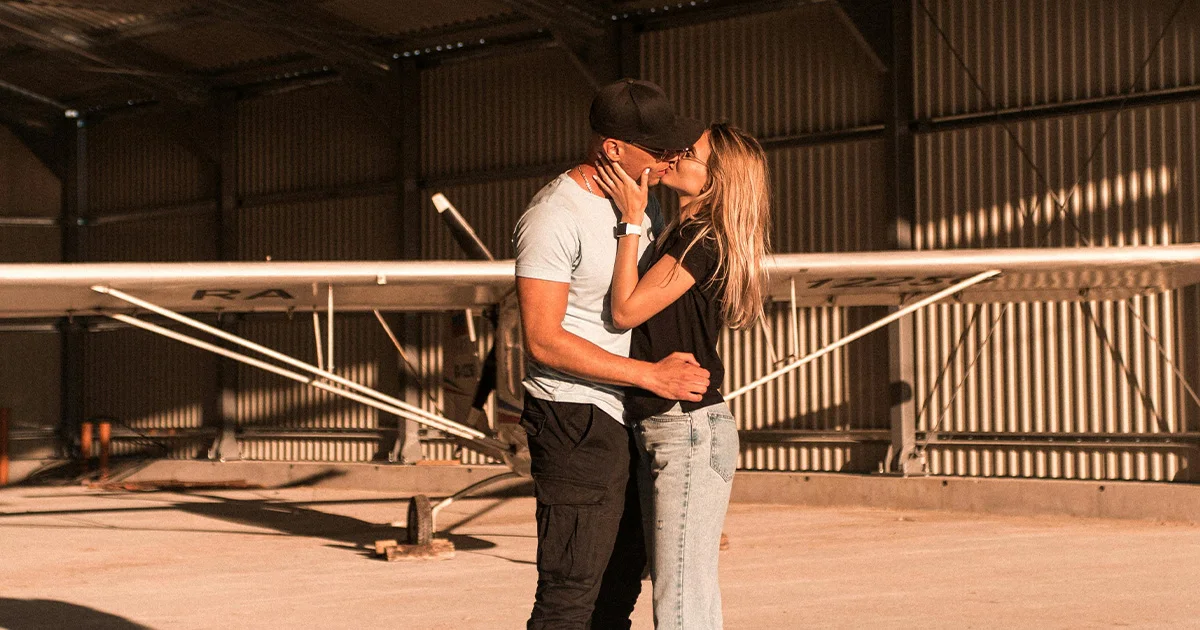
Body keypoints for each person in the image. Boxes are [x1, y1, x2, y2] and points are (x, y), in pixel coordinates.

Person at [512, 78, 711, 630]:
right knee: (571, 589)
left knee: (621, 584)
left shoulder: (639, 211)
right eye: (659, 149)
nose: (670, 158)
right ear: (613, 149)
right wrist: (650, 374)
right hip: (574, 417)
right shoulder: (555, 214)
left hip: (627, 413)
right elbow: (543, 337)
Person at [593, 122, 772, 630]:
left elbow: (626, 310)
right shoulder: (684, 232)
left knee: (679, 603)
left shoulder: (700, 238)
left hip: (686, 427)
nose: (675, 155)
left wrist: (630, 222)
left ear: (715, 176)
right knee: (687, 595)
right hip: (672, 424)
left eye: (689, 153)